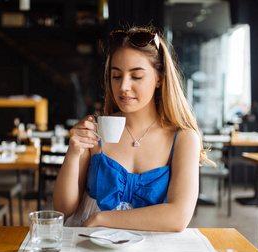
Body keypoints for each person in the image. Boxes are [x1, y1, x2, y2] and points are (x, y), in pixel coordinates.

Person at [53, 26, 212, 232]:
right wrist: (73, 153)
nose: (123, 87)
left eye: (136, 76)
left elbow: (178, 217)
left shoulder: (183, 138)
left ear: (159, 78)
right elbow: (63, 209)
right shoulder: (95, 128)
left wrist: (101, 219)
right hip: (88, 246)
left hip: (148, 251)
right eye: (116, 76)